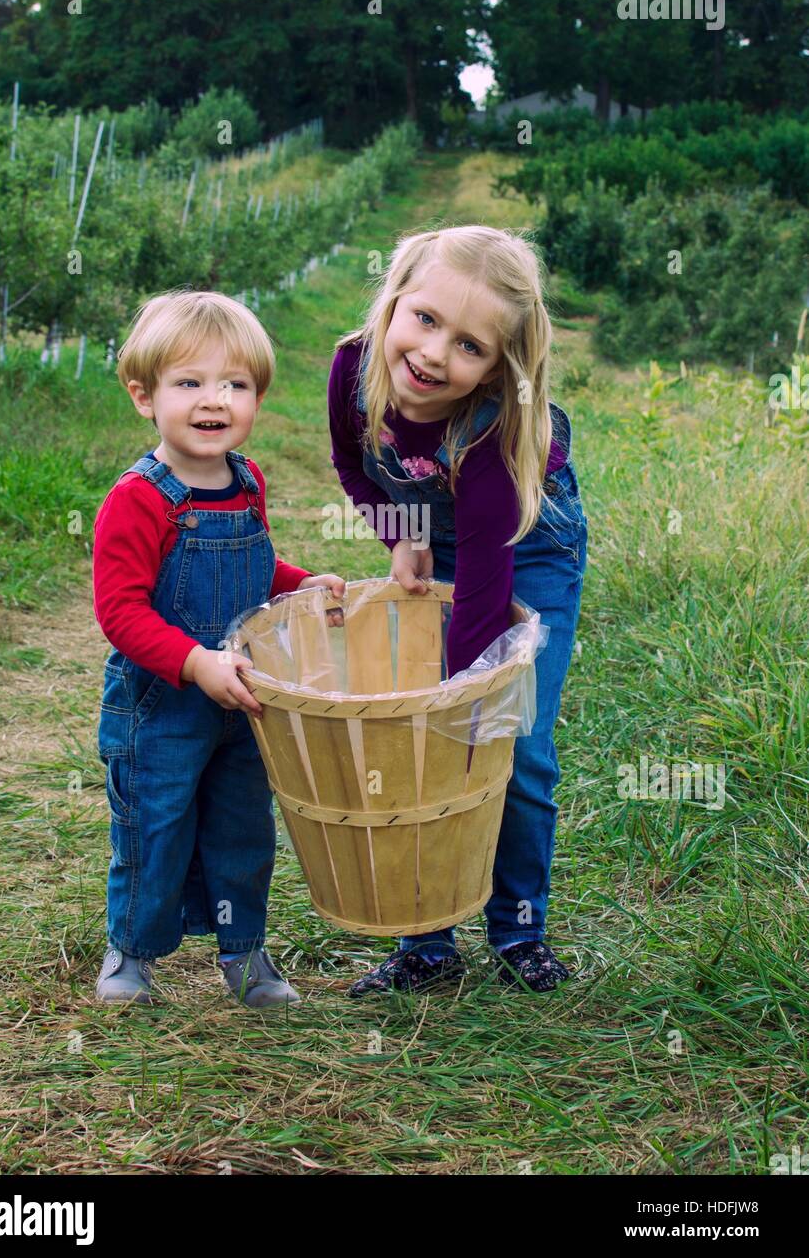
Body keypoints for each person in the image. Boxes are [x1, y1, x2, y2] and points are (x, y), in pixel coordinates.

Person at [328, 225, 587, 996]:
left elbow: (484, 578)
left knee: (515, 740)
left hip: (526, 548)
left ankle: (518, 926)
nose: (437, 354)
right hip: (438, 534)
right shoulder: (354, 367)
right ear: (394, 298)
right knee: (420, 746)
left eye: (470, 347)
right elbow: (352, 462)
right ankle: (428, 943)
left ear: (496, 368)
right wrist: (398, 532)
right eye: (426, 320)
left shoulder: (491, 427)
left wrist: (469, 698)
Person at [93, 290, 344, 1008]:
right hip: (161, 706)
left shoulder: (247, 480)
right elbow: (119, 610)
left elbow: (254, 570)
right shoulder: (140, 500)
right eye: (190, 383)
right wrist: (193, 661)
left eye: (235, 384)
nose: (215, 401)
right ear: (145, 396)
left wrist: (302, 586)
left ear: (257, 397)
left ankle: (244, 953)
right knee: (156, 826)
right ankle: (132, 952)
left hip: (241, 701)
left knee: (242, 827)